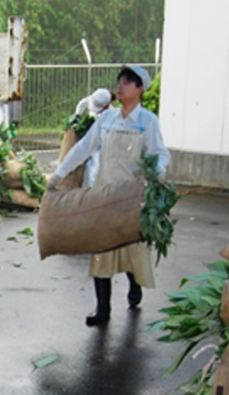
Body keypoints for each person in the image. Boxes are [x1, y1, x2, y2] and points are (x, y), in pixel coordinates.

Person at [47, 65, 170, 326]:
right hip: (104, 194)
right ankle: (102, 309)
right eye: (120, 81)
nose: (121, 85)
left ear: (140, 89)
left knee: (129, 250)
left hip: (131, 197)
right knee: (100, 251)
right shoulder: (107, 119)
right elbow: (84, 148)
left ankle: (134, 283)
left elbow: (159, 153)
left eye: (128, 82)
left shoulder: (147, 121)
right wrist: (58, 175)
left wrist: (158, 172)